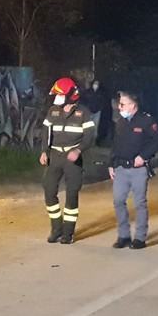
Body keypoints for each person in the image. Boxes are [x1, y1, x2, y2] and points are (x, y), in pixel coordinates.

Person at [40, 77, 96, 244]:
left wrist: (78, 150)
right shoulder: (53, 111)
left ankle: (68, 233)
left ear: (71, 95)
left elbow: (89, 137)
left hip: (73, 159)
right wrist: (44, 151)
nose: (57, 99)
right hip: (55, 156)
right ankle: (56, 228)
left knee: (72, 194)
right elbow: (46, 133)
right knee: (49, 191)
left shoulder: (83, 113)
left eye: (60, 95)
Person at [108, 91, 158, 250]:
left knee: (139, 203)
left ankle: (140, 237)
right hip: (121, 167)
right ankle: (124, 235)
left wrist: (143, 156)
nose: (119, 107)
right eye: (119, 104)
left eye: (122, 104)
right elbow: (115, 144)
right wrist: (111, 164)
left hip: (138, 169)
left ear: (133, 105)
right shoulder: (120, 122)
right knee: (118, 200)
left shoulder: (146, 120)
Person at [80, 79, 109, 144]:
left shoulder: (101, 93)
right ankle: (86, 141)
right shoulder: (87, 92)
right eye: (95, 83)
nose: (96, 85)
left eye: (97, 84)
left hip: (97, 112)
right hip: (88, 111)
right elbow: (83, 101)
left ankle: (93, 141)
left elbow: (103, 101)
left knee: (95, 127)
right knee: (87, 126)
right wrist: (86, 108)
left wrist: (100, 108)